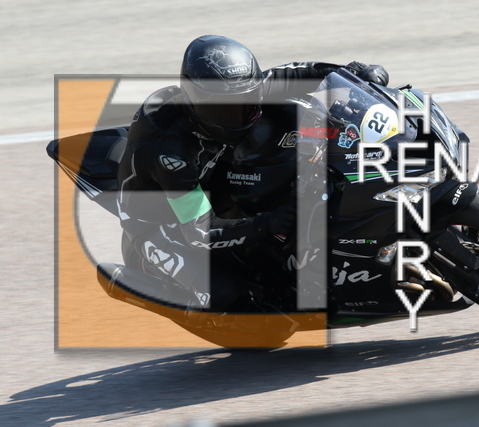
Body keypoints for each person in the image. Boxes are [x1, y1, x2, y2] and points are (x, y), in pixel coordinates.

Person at [116, 35, 389, 319]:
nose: (242, 114)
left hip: (211, 178)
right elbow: (198, 232)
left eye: (249, 102)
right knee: (235, 302)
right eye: (228, 109)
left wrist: (350, 73)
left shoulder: (236, 91)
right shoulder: (172, 155)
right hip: (162, 222)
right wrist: (266, 224)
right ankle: (169, 286)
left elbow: (293, 74)